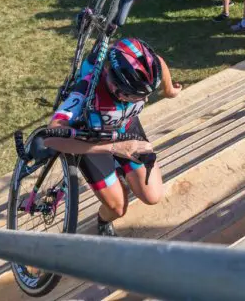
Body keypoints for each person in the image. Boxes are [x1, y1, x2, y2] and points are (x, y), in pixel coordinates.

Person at [46, 38, 182, 237]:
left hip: (126, 130)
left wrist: (169, 91)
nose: (143, 100)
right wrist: (113, 148)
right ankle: (103, 221)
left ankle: (120, 173)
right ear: (114, 84)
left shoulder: (144, 69)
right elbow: (51, 137)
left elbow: (159, 62)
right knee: (118, 207)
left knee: (153, 196)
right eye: (134, 96)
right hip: (91, 142)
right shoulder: (86, 91)